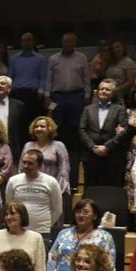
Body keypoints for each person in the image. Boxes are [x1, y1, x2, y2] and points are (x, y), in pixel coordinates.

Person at [46, 33, 91, 183]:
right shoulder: (54, 59)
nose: (68, 44)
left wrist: (87, 94)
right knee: (58, 125)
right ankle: (58, 150)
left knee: (75, 126)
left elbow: (86, 77)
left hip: (76, 96)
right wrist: (47, 95)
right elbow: (49, 78)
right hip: (58, 96)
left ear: (75, 43)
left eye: (71, 42)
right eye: (65, 41)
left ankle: (73, 153)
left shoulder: (81, 58)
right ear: (62, 42)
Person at [46, 199, 116, 271]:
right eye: (78, 212)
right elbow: (52, 260)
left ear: (95, 216)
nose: (81, 215)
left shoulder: (105, 237)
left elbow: (109, 266)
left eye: (86, 212)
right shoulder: (63, 233)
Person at [77, 78, 130, 187]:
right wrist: (93, 147)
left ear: (113, 93)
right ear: (97, 92)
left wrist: (106, 147)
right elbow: (81, 130)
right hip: (91, 155)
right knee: (91, 189)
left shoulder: (120, 109)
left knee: (110, 189)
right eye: (101, 89)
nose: (104, 91)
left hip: (111, 155)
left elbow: (123, 131)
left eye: (107, 89)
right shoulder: (88, 109)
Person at [5, 149, 63, 235]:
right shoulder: (13, 181)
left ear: (39, 165)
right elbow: (9, 206)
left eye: (30, 163)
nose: (25, 166)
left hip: (42, 231)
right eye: (24, 162)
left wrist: (46, 225)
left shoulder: (51, 182)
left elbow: (57, 209)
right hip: (18, 230)